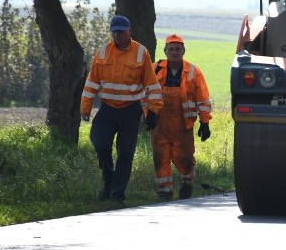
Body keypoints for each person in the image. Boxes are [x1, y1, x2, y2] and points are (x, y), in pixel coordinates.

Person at [81, 15, 163, 205]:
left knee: (125, 153)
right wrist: (85, 106)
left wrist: (153, 111)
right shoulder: (102, 53)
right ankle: (108, 180)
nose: (117, 34)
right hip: (107, 109)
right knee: (100, 144)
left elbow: (152, 84)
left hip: (131, 110)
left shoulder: (141, 53)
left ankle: (117, 193)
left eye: (121, 31)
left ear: (129, 32)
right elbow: (92, 82)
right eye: (114, 31)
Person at [148, 34, 212, 201]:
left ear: (183, 51)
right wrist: (149, 114)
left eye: (178, 49)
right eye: (171, 49)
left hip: (183, 125)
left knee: (185, 158)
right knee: (160, 158)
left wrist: (205, 122)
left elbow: (203, 98)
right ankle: (164, 194)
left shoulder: (193, 71)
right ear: (165, 51)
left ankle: (187, 183)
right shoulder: (154, 69)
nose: (174, 52)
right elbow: (145, 93)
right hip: (159, 125)